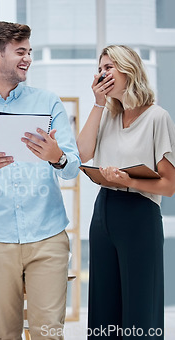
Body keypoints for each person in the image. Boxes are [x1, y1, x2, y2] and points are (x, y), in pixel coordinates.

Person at [0, 21, 80, 340]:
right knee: (5, 334)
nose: (28, 59)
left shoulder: (48, 103)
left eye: (29, 52)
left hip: (48, 235)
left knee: (48, 333)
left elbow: (72, 167)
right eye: (20, 52)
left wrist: (56, 156)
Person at [77, 45, 175, 339]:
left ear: (128, 71)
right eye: (100, 68)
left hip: (139, 215)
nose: (102, 73)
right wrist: (97, 104)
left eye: (109, 67)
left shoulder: (157, 117)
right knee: (103, 307)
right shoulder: (107, 114)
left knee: (140, 311)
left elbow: (169, 185)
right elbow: (82, 152)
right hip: (104, 211)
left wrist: (127, 180)